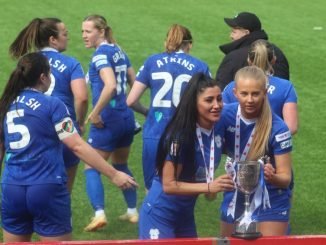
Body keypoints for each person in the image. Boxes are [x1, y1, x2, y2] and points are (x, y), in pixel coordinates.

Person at [0, 52, 137, 242]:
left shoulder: (5, 104)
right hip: (46, 187)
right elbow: (77, 146)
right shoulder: (52, 105)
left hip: (11, 188)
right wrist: (114, 174)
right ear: (43, 77)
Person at [138, 73, 234, 239]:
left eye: (219, 99)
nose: (217, 105)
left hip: (185, 215)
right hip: (160, 214)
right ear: (194, 104)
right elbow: (169, 185)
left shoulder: (217, 127)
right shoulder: (180, 136)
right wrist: (209, 187)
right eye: (209, 100)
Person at [127, 24, 212, 191]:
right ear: (190, 44)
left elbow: (130, 101)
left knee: (152, 190)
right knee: (178, 187)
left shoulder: (152, 61)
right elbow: (208, 103)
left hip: (154, 133)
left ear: (167, 41)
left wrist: (147, 112)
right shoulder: (199, 66)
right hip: (184, 135)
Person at [9, 17, 88, 192]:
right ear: (53, 40)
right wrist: (80, 123)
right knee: (63, 194)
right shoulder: (71, 63)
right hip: (65, 132)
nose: (68, 37)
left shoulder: (27, 62)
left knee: (31, 187)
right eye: (65, 34)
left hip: (34, 133)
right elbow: (81, 97)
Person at [218, 66, 293, 236]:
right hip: (235, 195)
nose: (250, 99)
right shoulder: (224, 116)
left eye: (255, 94)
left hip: (270, 199)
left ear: (265, 92)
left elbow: (285, 178)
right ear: (235, 93)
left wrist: (272, 176)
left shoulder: (278, 128)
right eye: (244, 94)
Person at [81, 14, 140, 231]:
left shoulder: (100, 56)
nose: (84, 36)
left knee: (91, 167)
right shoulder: (119, 50)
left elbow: (110, 85)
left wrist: (95, 113)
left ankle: (99, 214)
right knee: (120, 164)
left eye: (88, 31)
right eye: (82, 31)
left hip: (108, 120)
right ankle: (133, 212)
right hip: (126, 119)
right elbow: (134, 81)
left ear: (102, 32)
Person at [222, 39, 298, 135]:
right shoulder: (286, 87)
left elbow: (220, 120)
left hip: (238, 146)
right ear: (274, 60)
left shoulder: (233, 86)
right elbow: (291, 127)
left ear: (249, 60)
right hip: (271, 148)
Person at [215, 12, 289, 89]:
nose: (231, 36)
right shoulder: (277, 52)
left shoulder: (234, 58)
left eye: (234, 32)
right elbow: (284, 86)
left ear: (246, 33)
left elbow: (220, 91)